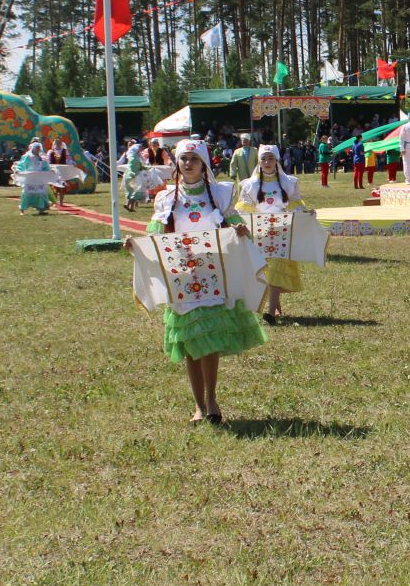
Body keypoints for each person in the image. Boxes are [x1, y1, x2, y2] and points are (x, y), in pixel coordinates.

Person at [128, 139, 267, 423]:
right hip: (181, 277)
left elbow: (236, 227)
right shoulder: (166, 199)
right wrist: (137, 246)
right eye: (183, 159)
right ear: (177, 163)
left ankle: (212, 399)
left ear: (203, 164)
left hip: (212, 275)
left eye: (194, 159)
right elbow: (155, 235)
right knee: (190, 340)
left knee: (210, 340)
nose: (188, 164)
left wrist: (239, 230)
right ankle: (198, 406)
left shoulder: (219, 193)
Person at [239, 145, 307, 320]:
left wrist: (306, 214)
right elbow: (244, 210)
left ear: (277, 160)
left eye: (270, 158)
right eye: (263, 159)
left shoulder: (288, 182)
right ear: (259, 162)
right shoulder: (250, 184)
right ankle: (276, 307)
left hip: (281, 231)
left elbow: (295, 205)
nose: (267, 162)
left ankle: (270, 312)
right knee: (266, 270)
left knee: (277, 267)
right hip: (260, 231)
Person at [14, 140, 53, 215]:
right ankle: (22, 210)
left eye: (39, 148)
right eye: (36, 148)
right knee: (27, 193)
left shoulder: (41, 158)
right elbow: (21, 165)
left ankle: (41, 209)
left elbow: (45, 167)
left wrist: (49, 171)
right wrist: (18, 170)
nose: (38, 150)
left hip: (39, 178)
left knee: (40, 193)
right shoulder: (27, 157)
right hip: (30, 177)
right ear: (33, 148)